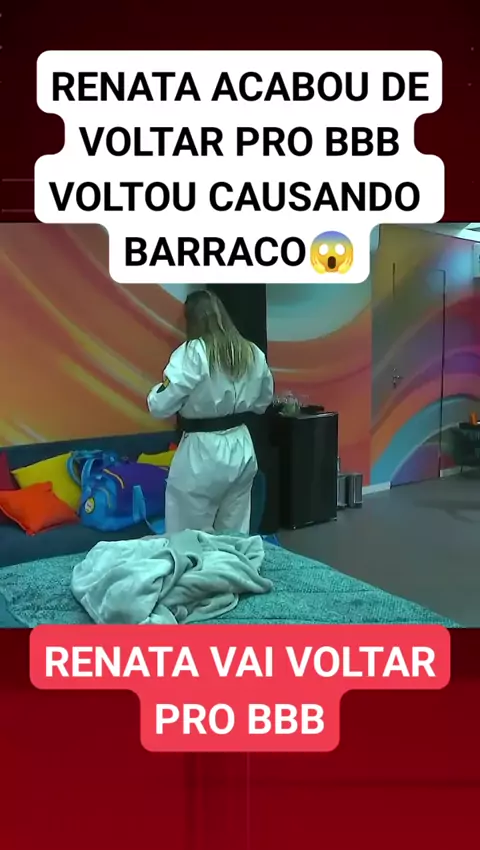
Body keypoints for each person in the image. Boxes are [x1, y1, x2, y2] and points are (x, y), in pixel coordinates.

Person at [147, 289, 274, 535]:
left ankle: (194, 562)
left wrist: (156, 394)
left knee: (188, 536)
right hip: (241, 445)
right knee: (235, 532)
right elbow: (263, 401)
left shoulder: (193, 353)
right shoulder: (251, 352)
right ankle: (233, 561)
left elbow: (160, 406)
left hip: (202, 451)